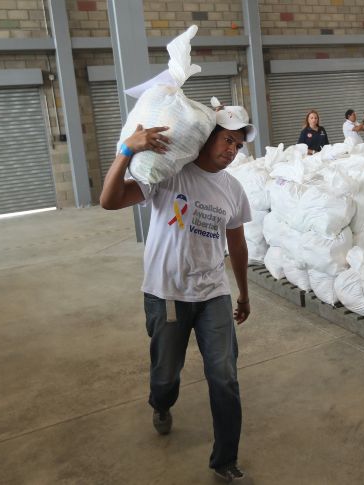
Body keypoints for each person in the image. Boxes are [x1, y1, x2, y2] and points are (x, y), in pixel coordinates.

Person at [99, 105, 255, 483]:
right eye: (226, 139)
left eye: (237, 143)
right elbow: (109, 200)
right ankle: (161, 403)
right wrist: (127, 151)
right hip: (166, 291)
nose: (232, 149)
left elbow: (237, 245)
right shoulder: (168, 172)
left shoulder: (233, 190)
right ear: (206, 138)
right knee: (166, 373)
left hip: (212, 293)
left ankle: (224, 461)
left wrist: (243, 293)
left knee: (225, 376)